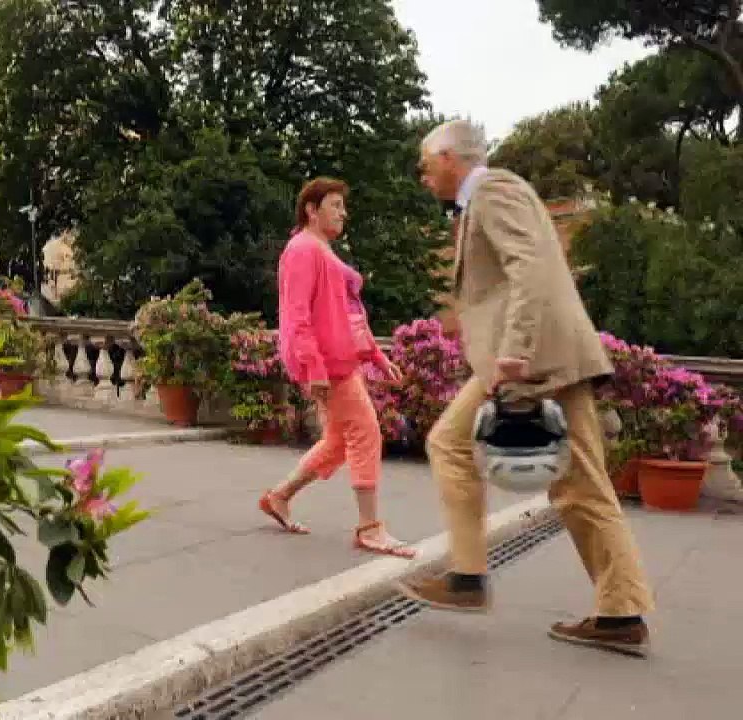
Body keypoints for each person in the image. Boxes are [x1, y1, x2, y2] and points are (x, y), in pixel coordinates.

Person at [400, 119, 654, 656]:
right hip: (523, 360)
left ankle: (620, 612)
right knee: (450, 443)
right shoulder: (481, 201)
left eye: (425, 166)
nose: (423, 178)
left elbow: (530, 267)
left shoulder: (494, 189)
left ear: (448, 158)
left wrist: (515, 348)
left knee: (579, 484)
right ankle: (468, 577)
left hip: (538, 360)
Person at [258, 177, 416, 559]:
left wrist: (377, 357)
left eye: (343, 206)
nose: (343, 213)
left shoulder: (322, 249)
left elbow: (350, 316)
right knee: (365, 431)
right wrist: (313, 366)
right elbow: (296, 315)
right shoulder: (302, 249)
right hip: (327, 363)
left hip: (339, 359)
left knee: (338, 441)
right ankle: (369, 528)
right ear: (311, 210)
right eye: (335, 205)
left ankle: (279, 497)